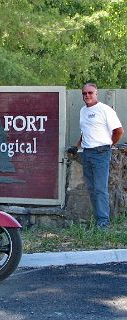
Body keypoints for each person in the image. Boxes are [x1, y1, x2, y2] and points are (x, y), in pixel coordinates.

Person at [68, 83, 124, 229]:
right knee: (92, 189)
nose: (87, 95)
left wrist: (108, 145)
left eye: (90, 93)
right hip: (87, 153)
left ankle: (103, 223)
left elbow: (119, 131)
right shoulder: (82, 111)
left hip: (101, 153)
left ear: (96, 93)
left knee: (100, 189)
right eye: (84, 93)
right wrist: (77, 146)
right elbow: (85, 132)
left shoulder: (104, 109)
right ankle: (98, 219)